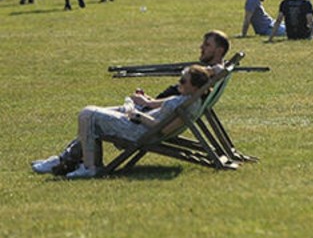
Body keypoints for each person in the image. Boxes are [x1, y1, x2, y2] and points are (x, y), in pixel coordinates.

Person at [31, 65, 211, 179]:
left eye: (183, 80)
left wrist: (137, 116)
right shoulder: (189, 98)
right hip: (140, 123)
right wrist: (146, 103)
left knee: (88, 114)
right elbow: (165, 105)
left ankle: (90, 167)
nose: (179, 83)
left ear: (194, 86)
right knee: (98, 114)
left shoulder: (187, 104)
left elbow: (162, 130)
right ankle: (67, 159)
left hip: (139, 130)